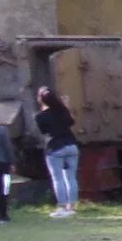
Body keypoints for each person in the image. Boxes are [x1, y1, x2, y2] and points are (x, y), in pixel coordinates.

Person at [34, 86, 80, 217]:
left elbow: (43, 131)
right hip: (71, 145)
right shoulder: (63, 111)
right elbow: (71, 122)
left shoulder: (40, 116)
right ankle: (71, 206)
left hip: (55, 148)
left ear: (40, 100)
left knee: (58, 179)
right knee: (71, 178)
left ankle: (62, 207)